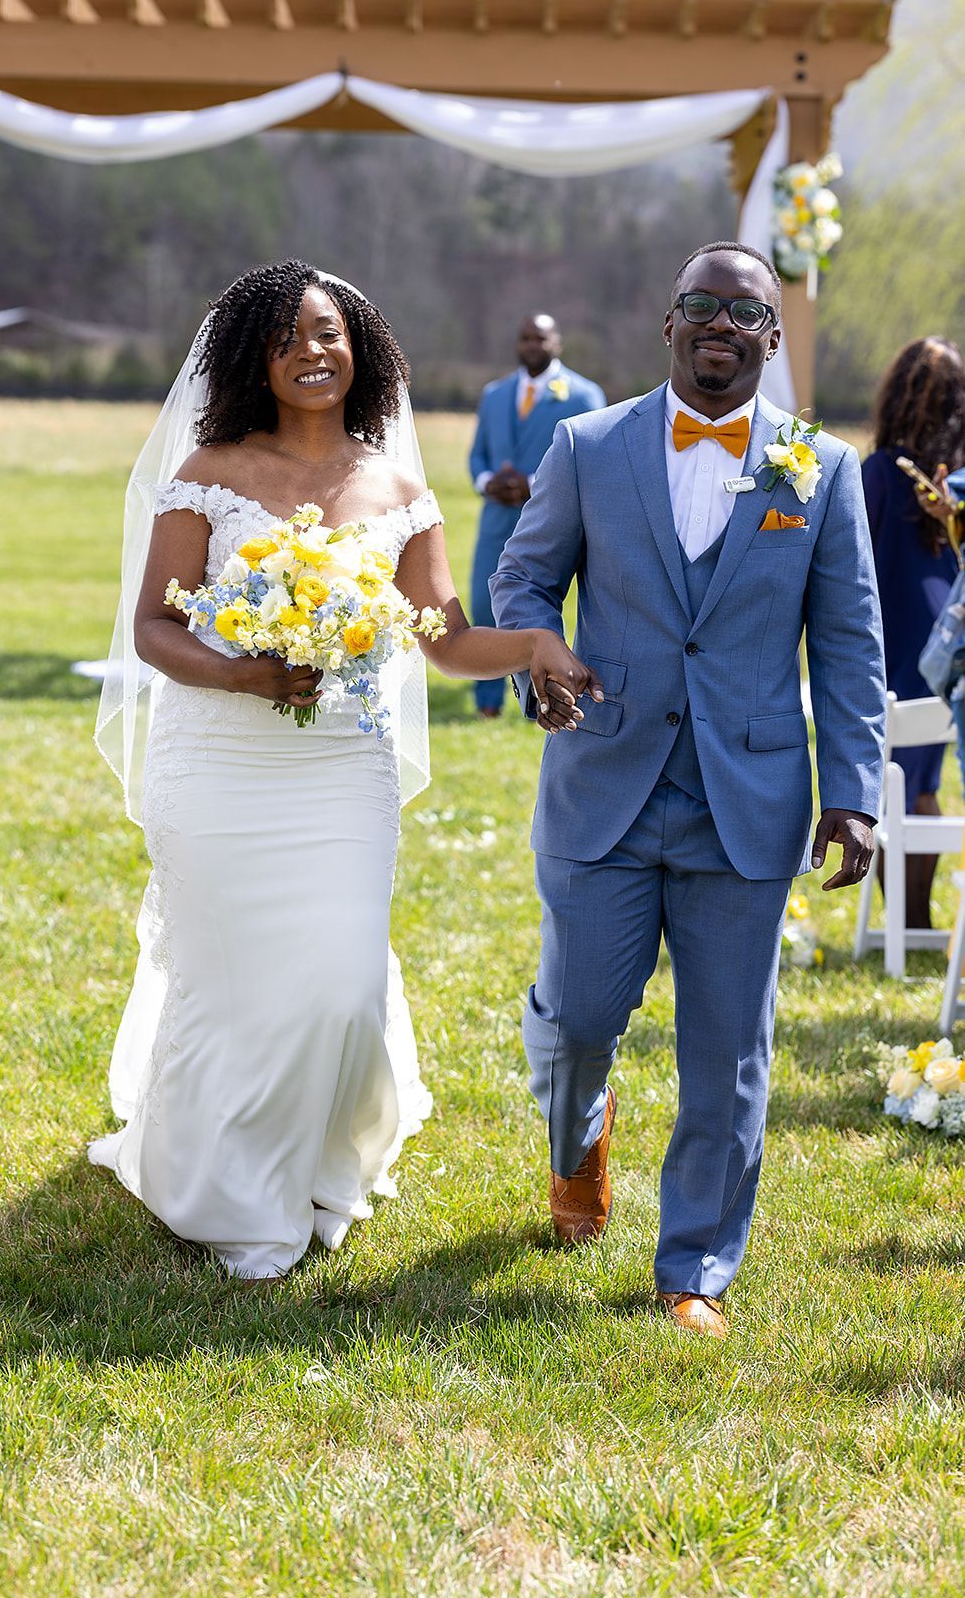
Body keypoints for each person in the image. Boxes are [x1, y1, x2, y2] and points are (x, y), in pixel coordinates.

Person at [88, 261, 597, 1282]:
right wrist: (243, 670)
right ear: (253, 359)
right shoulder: (210, 471)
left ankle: (323, 1160)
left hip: (338, 767)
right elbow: (152, 627)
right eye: (284, 339)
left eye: (326, 332)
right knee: (230, 981)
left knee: (343, 985)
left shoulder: (397, 489)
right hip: (220, 757)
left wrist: (537, 645)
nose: (310, 352)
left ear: (359, 346)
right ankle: (223, 1192)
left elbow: (448, 641)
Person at [491, 242, 885, 1338]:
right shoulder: (588, 445)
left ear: (771, 336)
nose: (721, 323)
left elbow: (848, 642)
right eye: (700, 305)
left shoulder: (821, 468)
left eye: (744, 311)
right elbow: (523, 577)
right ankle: (578, 1143)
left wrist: (853, 790)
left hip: (745, 800)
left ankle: (694, 1269)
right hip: (603, 783)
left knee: (728, 1049)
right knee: (580, 1019)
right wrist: (538, 653)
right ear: (668, 323)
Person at [862, 338, 965, 928]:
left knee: (897, 786)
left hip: (894, 636)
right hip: (946, 640)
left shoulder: (880, 473)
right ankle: (913, 921)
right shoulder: (957, 484)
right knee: (921, 781)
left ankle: (909, 924)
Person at [468, 315, 605, 718]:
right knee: (483, 604)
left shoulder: (584, 396)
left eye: (540, 338)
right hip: (496, 516)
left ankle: (546, 692)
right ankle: (487, 701)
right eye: (525, 337)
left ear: (556, 343)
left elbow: (597, 460)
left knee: (540, 611)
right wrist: (487, 481)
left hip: (553, 522)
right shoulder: (494, 394)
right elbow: (478, 454)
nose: (532, 344)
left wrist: (531, 484)